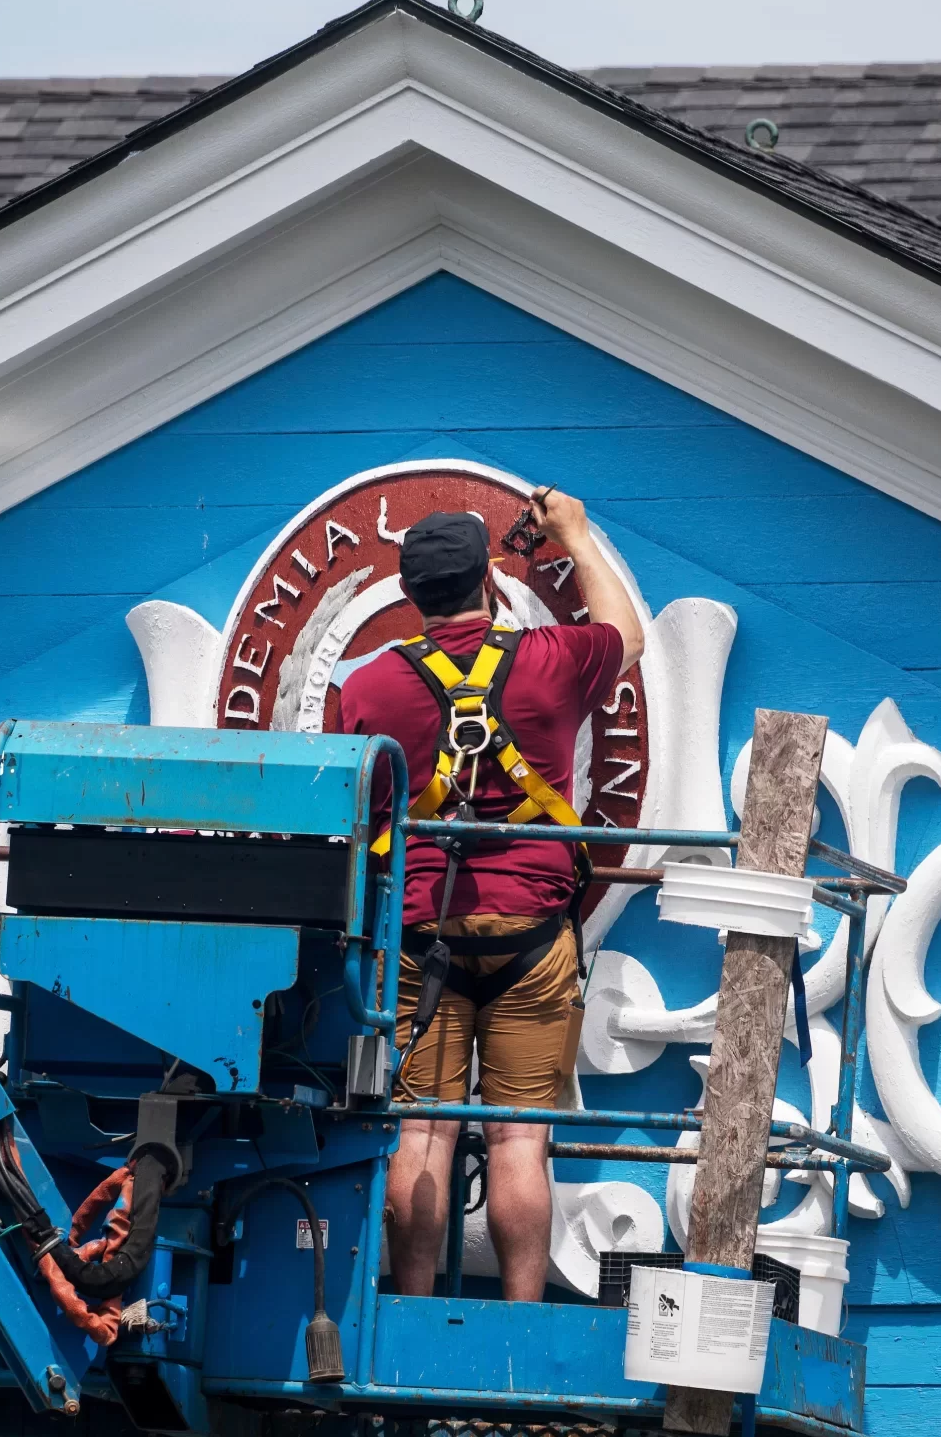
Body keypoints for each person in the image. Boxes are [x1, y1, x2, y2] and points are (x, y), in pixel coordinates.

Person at [332, 488, 645, 1302]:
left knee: (420, 1136)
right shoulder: (549, 659)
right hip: (532, 932)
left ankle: (405, 1312)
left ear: (410, 596)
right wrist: (573, 530)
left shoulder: (367, 688)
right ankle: (517, 1320)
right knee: (517, 1140)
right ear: (488, 584)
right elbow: (626, 634)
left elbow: (355, 809)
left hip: (417, 932)